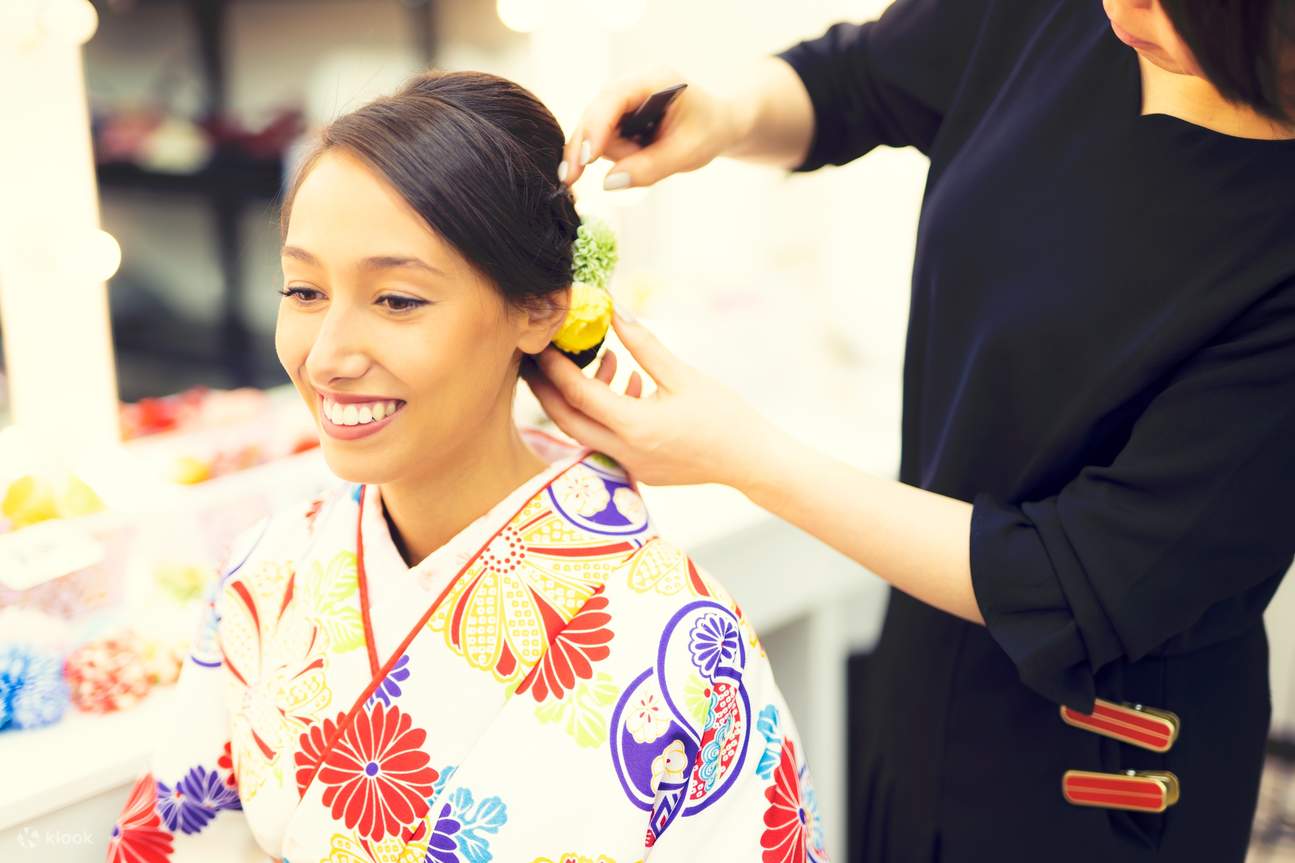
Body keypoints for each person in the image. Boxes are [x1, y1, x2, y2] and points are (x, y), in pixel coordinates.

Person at [526, 0, 1295, 860]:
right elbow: (858, 78)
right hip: (923, 677)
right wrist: (724, 112)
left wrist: (741, 455)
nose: (1119, 7)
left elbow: (1076, 578)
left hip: (1106, 770)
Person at [105, 70, 829, 863]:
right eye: (304, 289)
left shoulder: (681, 643)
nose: (328, 356)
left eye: (397, 300)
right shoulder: (270, 571)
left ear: (540, 306)